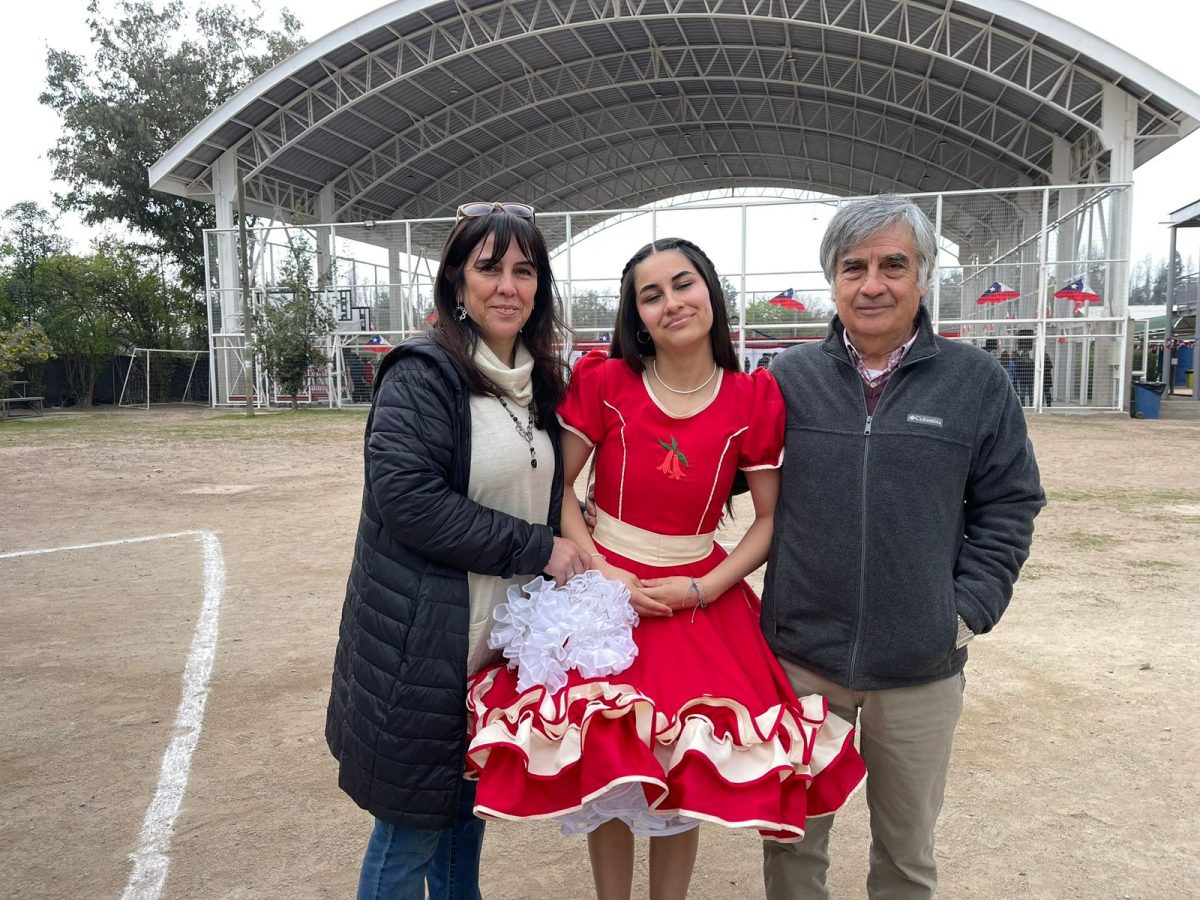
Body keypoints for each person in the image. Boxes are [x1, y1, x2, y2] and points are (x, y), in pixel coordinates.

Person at [466, 238, 866, 900]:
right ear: (637, 316)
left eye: (683, 285)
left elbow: (767, 520)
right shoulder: (607, 382)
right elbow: (559, 490)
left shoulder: (753, 398)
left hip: (700, 600)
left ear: (710, 290)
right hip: (603, 595)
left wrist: (702, 588)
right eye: (651, 296)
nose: (671, 303)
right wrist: (602, 573)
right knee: (610, 761)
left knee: (685, 767)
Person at [761, 195, 1045, 899]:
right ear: (833, 280)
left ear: (923, 278)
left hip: (919, 669)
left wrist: (964, 610)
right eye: (853, 267)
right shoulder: (784, 380)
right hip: (801, 666)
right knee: (792, 847)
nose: (873, 283)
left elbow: (1009, 503)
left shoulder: (975, 382)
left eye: (894, 264)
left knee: (906, 858)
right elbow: (713, 478)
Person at [325, 201, 592, 900]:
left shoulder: (541, 385)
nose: (508, 285)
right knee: (410, 832)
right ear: (456, 283)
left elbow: (540, 485)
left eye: (524, 270)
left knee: (466, 816)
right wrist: (540, 548)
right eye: (489, 267)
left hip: (495, 644)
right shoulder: (423, 375)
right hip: (425, 643)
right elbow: (409, 500)